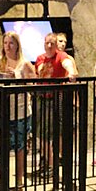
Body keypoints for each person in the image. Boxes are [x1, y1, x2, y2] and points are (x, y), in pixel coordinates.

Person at [0, 32, 37, 191]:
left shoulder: (25, 64)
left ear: (17, 45)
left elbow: (33, 85)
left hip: (20, 111)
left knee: (20, 148)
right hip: (1, 111)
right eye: (5, 43)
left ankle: (20, 181)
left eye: (11, 43)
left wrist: (16, 77)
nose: (8, 46)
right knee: (2, 147)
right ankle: (3, 180)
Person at [34, 33, 78, 173]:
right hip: (42, 98)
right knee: (42, 133)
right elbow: (39, 71)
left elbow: (67, 63)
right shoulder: (40, 58)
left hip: (56, 99)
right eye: (47, 43)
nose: (49, 46)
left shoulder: (61, 56)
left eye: (52, 43)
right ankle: (50, 163)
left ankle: (56, 163)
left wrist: (71, 72)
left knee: (57, 132)